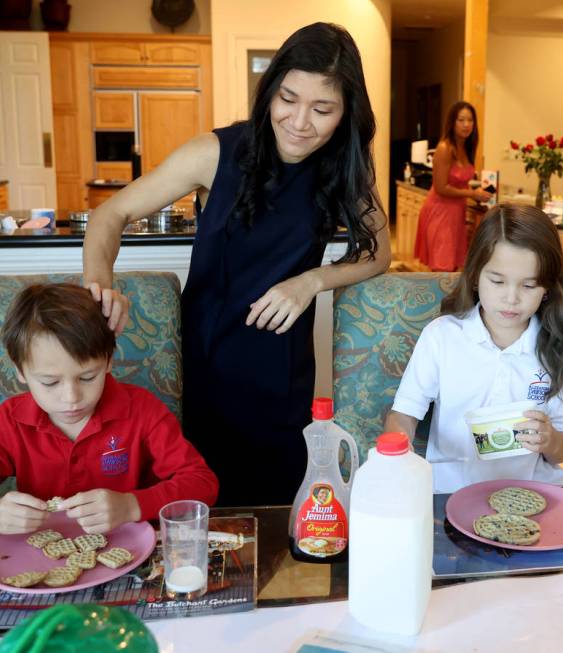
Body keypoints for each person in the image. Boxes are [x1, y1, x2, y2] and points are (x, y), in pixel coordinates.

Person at [82, 23, 390, 507]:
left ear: (345, 114)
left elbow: (378, 252)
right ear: (269, 91)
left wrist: (313, 281)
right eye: (288, 98)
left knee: (273, 517)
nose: (300, 121)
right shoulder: (216, 153)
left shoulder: (341, 166)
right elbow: (110, 214)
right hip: (205, 366)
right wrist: (99, 285)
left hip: (283, 376)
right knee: (197, 508)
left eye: (322, 108)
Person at [0, 284, 218, 534]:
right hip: (41, 562)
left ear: (109, 362)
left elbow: (202, 484)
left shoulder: (141, 411)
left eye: (88, 377)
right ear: (20, 371)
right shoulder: (10, 422)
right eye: (49, 382)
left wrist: (132, 505)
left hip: (134, 555)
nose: (72, 398)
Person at [387, 205, 563, 493]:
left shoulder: (560, 351)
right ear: (475, 276)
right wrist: (399, 453)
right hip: (452, 493)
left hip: (533, 492)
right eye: (497, 281)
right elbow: (403, 413)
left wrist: (551, 440)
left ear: (548, 290)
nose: (511, 298)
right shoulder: (442, 337)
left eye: (529, 285)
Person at [414, 101, 492, 272]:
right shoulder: (445, 148)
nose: (466, 125)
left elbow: (460, 179)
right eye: (461, 120)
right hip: (440, 212)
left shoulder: (466, 147)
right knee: (442, 268)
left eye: (470, 120)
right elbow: (441, 187)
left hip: (456, 213)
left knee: (452, 269)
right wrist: (472, 193)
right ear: (452, 122)